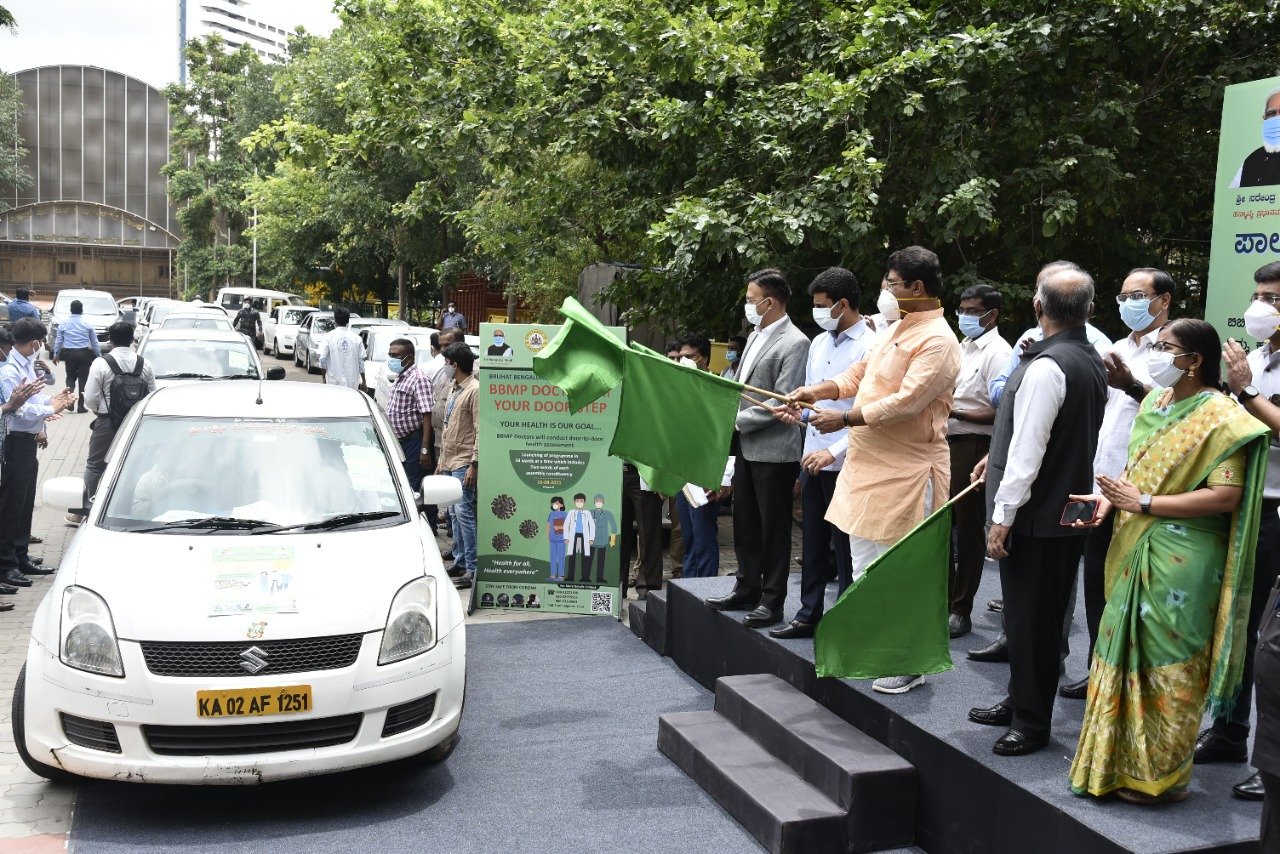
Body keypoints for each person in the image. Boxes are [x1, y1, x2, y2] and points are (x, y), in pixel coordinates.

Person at [1067, 318, 1268, 804]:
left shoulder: (1223, 417)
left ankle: (1157, 778)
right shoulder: (1155, 403)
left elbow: (1226, 496)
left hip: (1184, 557)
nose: (1155, 353)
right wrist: (1110, 502)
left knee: (1166, 664)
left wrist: (1147, 504)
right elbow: (1137, 474)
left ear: (1195, 361)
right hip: (1136, 539)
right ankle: (1112, 768)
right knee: (1116, 652)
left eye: (1165, 347)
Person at [784, 247, 961, 695]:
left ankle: (908, 660)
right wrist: (815, 391)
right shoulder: (893, 327)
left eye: (890, 283)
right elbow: (858, 375)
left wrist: (841, 419)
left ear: (916, 289)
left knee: (899, 568)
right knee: (865, 566)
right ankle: (877, 647)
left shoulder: (938, 340)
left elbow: (907, 402)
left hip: (907, 471)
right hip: (867, 466)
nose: (884, 291)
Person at [967, 265, 1107, 756]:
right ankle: (1019, 698)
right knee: (1031, 620)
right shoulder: (1089, 358)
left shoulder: (1051, 365)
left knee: (1033, 623)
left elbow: (1029, 452)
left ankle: (1031, 720)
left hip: (1037, 515)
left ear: (1036, 306)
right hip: (1057, 511)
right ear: (1089, 309)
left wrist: (1002, 517)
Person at [1059, 267, 1177, 699]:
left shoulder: (1172, 350)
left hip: (1143, 491)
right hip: (1101, 481)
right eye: (1123, 295)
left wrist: (1130, 385)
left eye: (1138, 295)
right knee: (1096, 585)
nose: (1127, 303)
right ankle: (1098, 670)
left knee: (1134, 590)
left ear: (1162, 300)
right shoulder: (1116, 346)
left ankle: (1130, 683)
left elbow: (1176, 414)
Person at [1196, 260, 1280, 800]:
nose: (1260, 307)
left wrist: (1246, 394)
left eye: (1272, 297)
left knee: (1273, 642)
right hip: (1247, 504)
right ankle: (1230, 731)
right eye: (1257, 295)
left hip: (1278, 509)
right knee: (1239, 624)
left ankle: (1268, 761)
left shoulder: (1255, 372)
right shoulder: (1259, 357)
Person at [769, 267, 872, 640]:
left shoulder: (871, 346)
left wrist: (833, 451)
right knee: (811, 541)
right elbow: (815, 401)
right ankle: (808, 613)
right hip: (814, 458)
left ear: (843, 304)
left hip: (848, 458)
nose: (816, 312)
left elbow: (866, 411)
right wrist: (797, 413)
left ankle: (846, 618)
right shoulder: (819, 343)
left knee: (847, 548)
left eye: (821, 306)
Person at [706, 268, 808, 629]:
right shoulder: (754, 337)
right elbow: (743, 391)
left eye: (751, 300)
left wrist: (736, 422)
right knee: (745, 522)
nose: (747, 306)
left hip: (775, 450)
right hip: (748, 447)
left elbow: (783, 403)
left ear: (771, 301)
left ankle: (772, 599)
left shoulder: (795, 342)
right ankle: (746, 586)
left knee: (774, 527)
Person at [946, 284, 1012, 639]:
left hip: (974, 446)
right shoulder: (962, 346)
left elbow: (1001, 411)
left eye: (973, 311)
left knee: (968, 528)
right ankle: (943, 600)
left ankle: (961, 607)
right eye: (962, 309)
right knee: (942, 524)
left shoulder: (998, 352)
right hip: (946, 443)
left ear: (992, 315)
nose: (965, 316)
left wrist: (955, 411)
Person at [0, 319, 76, 587]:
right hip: (15, 440)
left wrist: (54, 402)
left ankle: (20, 555)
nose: (41, 347)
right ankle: (7, 563)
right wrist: (50, 409)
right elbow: (17, 410)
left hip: (28, 439)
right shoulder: (10, 372)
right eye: (41, 342)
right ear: (34, 343)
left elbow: (34, 401)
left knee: (24, 500)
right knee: (12, 504)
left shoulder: (26, 366)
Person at [75, 322, 156, 523]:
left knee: (95, 465)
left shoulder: (101, 363)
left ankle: (84, 511)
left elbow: (91, 397)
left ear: (110, 339)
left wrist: (99, 410)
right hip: (138, 425)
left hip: (107, 422)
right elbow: (153, 394)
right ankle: (130, 508)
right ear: (132, 340)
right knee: (136, 464)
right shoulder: (144, 363)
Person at [675, 333, 728, 579]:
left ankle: (704, 591)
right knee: (689, 537)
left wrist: (723, 477)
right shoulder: (680, 388)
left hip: (706, 473)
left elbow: (726, 436)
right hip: (682, 473)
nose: (684, 361)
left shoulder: (718, 389)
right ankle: (688, 588)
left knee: (704, 536)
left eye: (690, 356)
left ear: (704, 358)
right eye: (681, 357)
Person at [436, 341, 478, 588]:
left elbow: (479, 430)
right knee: (453, 512)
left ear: (455, 364)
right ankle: (461, 560)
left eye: (447, 363)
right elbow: (449, 429)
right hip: (450, 459)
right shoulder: (455, 388)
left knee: (464, 514)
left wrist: (475, 464)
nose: (444, 367)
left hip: (464, 461)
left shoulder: (474, 390)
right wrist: (441, 462)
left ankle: (472, 568)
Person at [385, 338, 435, 502]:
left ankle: (428, 523)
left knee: (415, 486)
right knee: (401, 483)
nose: (391, 359)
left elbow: (427, 414)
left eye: (396, 355)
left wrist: (425, 449)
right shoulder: (401, 376)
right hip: (399, 441)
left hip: (414, 441)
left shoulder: (418, 378)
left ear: (409, 358)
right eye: (390, 354)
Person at [52, 299, 100, 414]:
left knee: (70, 378)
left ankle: (70, 403)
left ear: (70, 310)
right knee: (83, 379)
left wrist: (56, 354)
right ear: (82, 310)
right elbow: (95, 342)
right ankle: (81, 406)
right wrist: (99, 355)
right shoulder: (87, 324)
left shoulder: (63, 324)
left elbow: (58, 340)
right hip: (84, 354)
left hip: (70, 354)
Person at [1229, 88, 1280, 188]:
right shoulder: (1251, 160)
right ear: (1263, 120)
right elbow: (1230, 198)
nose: (1276, 118)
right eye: (1271, 113)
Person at [318, 307, 365, 390]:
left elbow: (322, 359)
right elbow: (361, 362)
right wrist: (364, 381)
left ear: (335, 320)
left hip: (333, 383)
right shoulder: (356, 338)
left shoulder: (328, 337)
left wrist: (324, 378)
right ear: (348, 321)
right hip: (352, 383)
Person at [564, 493, 596, 583]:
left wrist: (591, 539)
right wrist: (566, 537)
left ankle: (585, 577)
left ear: (584, 502)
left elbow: (592, 525)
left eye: (581, 501)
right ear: (574, 502)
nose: (579, 503)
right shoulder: (571, 512)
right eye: (577, 501)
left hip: (584, 536)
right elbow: (566, 524)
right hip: (573, 536)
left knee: (585, 556)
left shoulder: (587, 513)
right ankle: (570, 576)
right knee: (572, 556)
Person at [590, 494, 618, 584]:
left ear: (603, 502)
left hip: (603, 540)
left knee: (601, 560)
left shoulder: (607, 513)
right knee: (588, 559)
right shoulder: (589, 513)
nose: (599, 502)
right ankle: (586, 577)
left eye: (600, 500)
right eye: (597, 500)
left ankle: (599, 578)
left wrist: (612, 540)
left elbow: (614, 526)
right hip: (591, 541)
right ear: (594, 502)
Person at [547, 497, 568, 582]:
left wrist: (559, 527)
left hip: (561, 539)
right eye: (554, 503)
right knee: (552, 557)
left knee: (561, 557)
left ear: (561, 504)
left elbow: (568, 526)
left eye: (557, 503)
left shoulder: (564, 514)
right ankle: (552, 575)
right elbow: (548, 525)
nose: (555, 505)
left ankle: (561, 576)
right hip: (552, 539)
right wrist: (548, 536)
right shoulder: (551, 514)